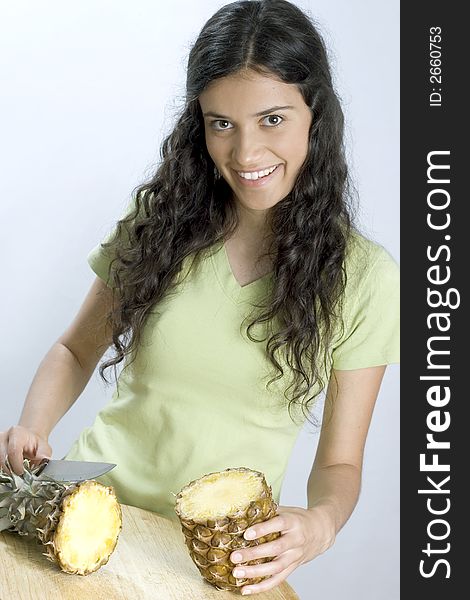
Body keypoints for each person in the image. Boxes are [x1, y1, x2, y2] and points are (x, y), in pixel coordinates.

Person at [0, 0, 399, 595]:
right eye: (222, 124)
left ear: (316, 114)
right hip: (84, 511)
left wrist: (320, 523)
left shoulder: (365, 276)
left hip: (215, 558)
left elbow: (340, 464)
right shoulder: (158, 224)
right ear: (199, 125)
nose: (245, 155)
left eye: (272, 120)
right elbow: (75, 349)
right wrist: (33, 426)